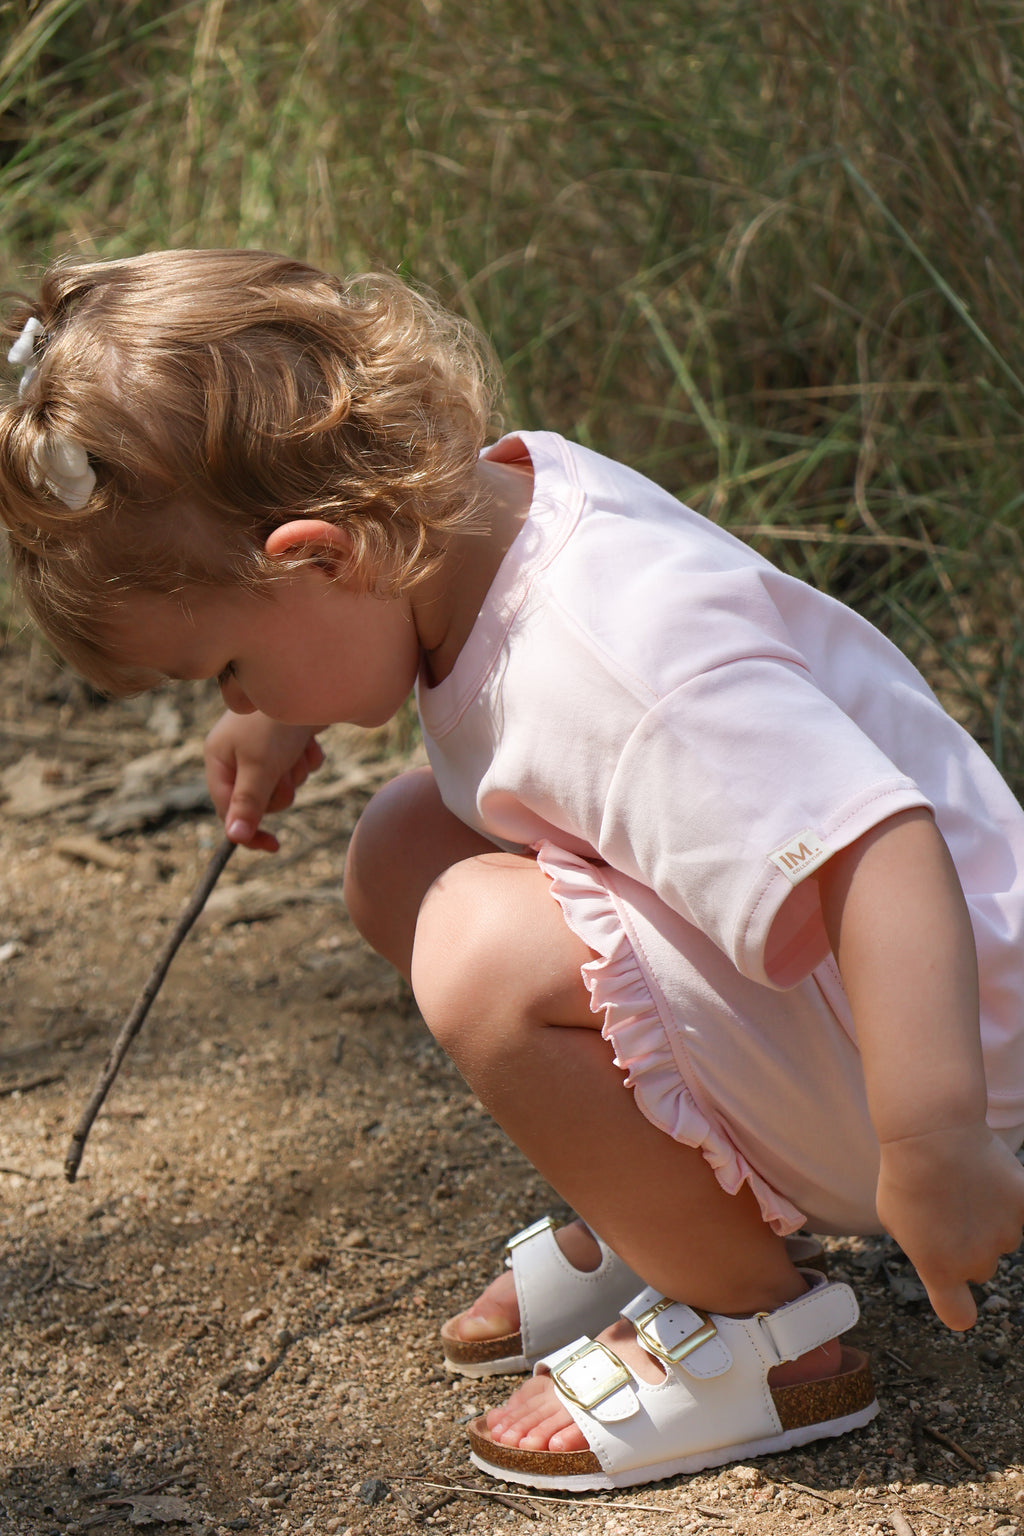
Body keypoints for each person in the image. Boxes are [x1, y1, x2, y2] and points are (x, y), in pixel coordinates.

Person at [3, 249, 1024, 1494]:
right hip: (859, 1010)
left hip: (941, 1052)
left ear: (321, 558)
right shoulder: (482, 517)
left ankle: (758, 1330)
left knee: (480, 954)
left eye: (224, 668)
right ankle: (681, 1206)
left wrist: (934, 1142)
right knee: (402, 849)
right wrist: (285, 713)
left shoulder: (611, 657)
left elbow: (880, 846)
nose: (231, 699)